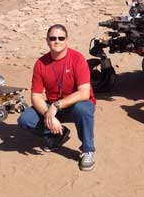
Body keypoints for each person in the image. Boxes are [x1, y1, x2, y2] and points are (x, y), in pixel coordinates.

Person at [17, 24, 97, 171]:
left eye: (61, 38)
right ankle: (57, 134)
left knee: (84, 109)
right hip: (53, 107)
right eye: (53, 38)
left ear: (67, 40)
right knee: (25, 119)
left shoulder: (77, 59)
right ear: (47, 40)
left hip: (74, 105)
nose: (57, 41)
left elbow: (84, 93)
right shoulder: (41, 63)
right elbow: (36, 96)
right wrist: (49, 113)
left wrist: (55, 106)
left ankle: (87, 150)